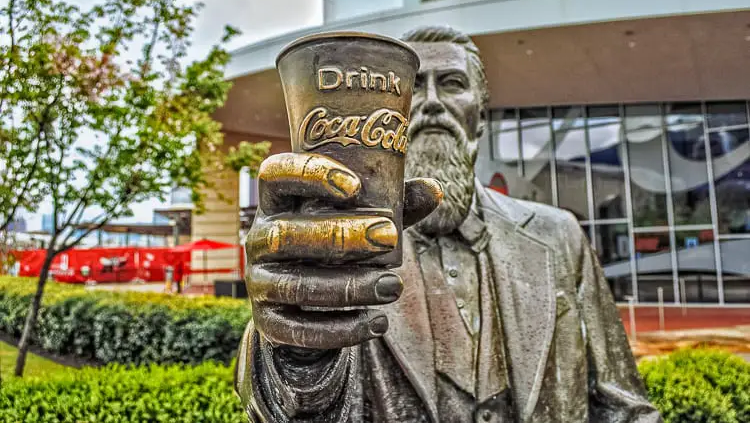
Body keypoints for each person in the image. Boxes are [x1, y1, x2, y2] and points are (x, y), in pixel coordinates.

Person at [235, 26, 661, 422]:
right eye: (413, 87)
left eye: (453, 83)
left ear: (481, 118)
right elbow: (291, 409)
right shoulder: (342, 250)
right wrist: (296, 338)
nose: (432, 102)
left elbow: (625, 407)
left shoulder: (558, 235)